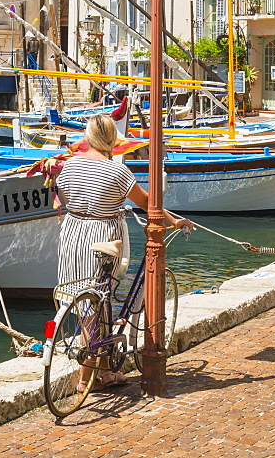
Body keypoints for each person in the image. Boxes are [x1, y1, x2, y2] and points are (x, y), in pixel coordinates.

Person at [55, 112, 193, 389]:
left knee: (87, 299)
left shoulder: (69, 166)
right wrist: (174, 221)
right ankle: (86, 379)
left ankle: (106, 370)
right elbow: (146, 203)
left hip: (72, 233)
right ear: (112, 141)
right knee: (98, 301)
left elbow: (63, 196)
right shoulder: (117, 171)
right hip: (103, 234)